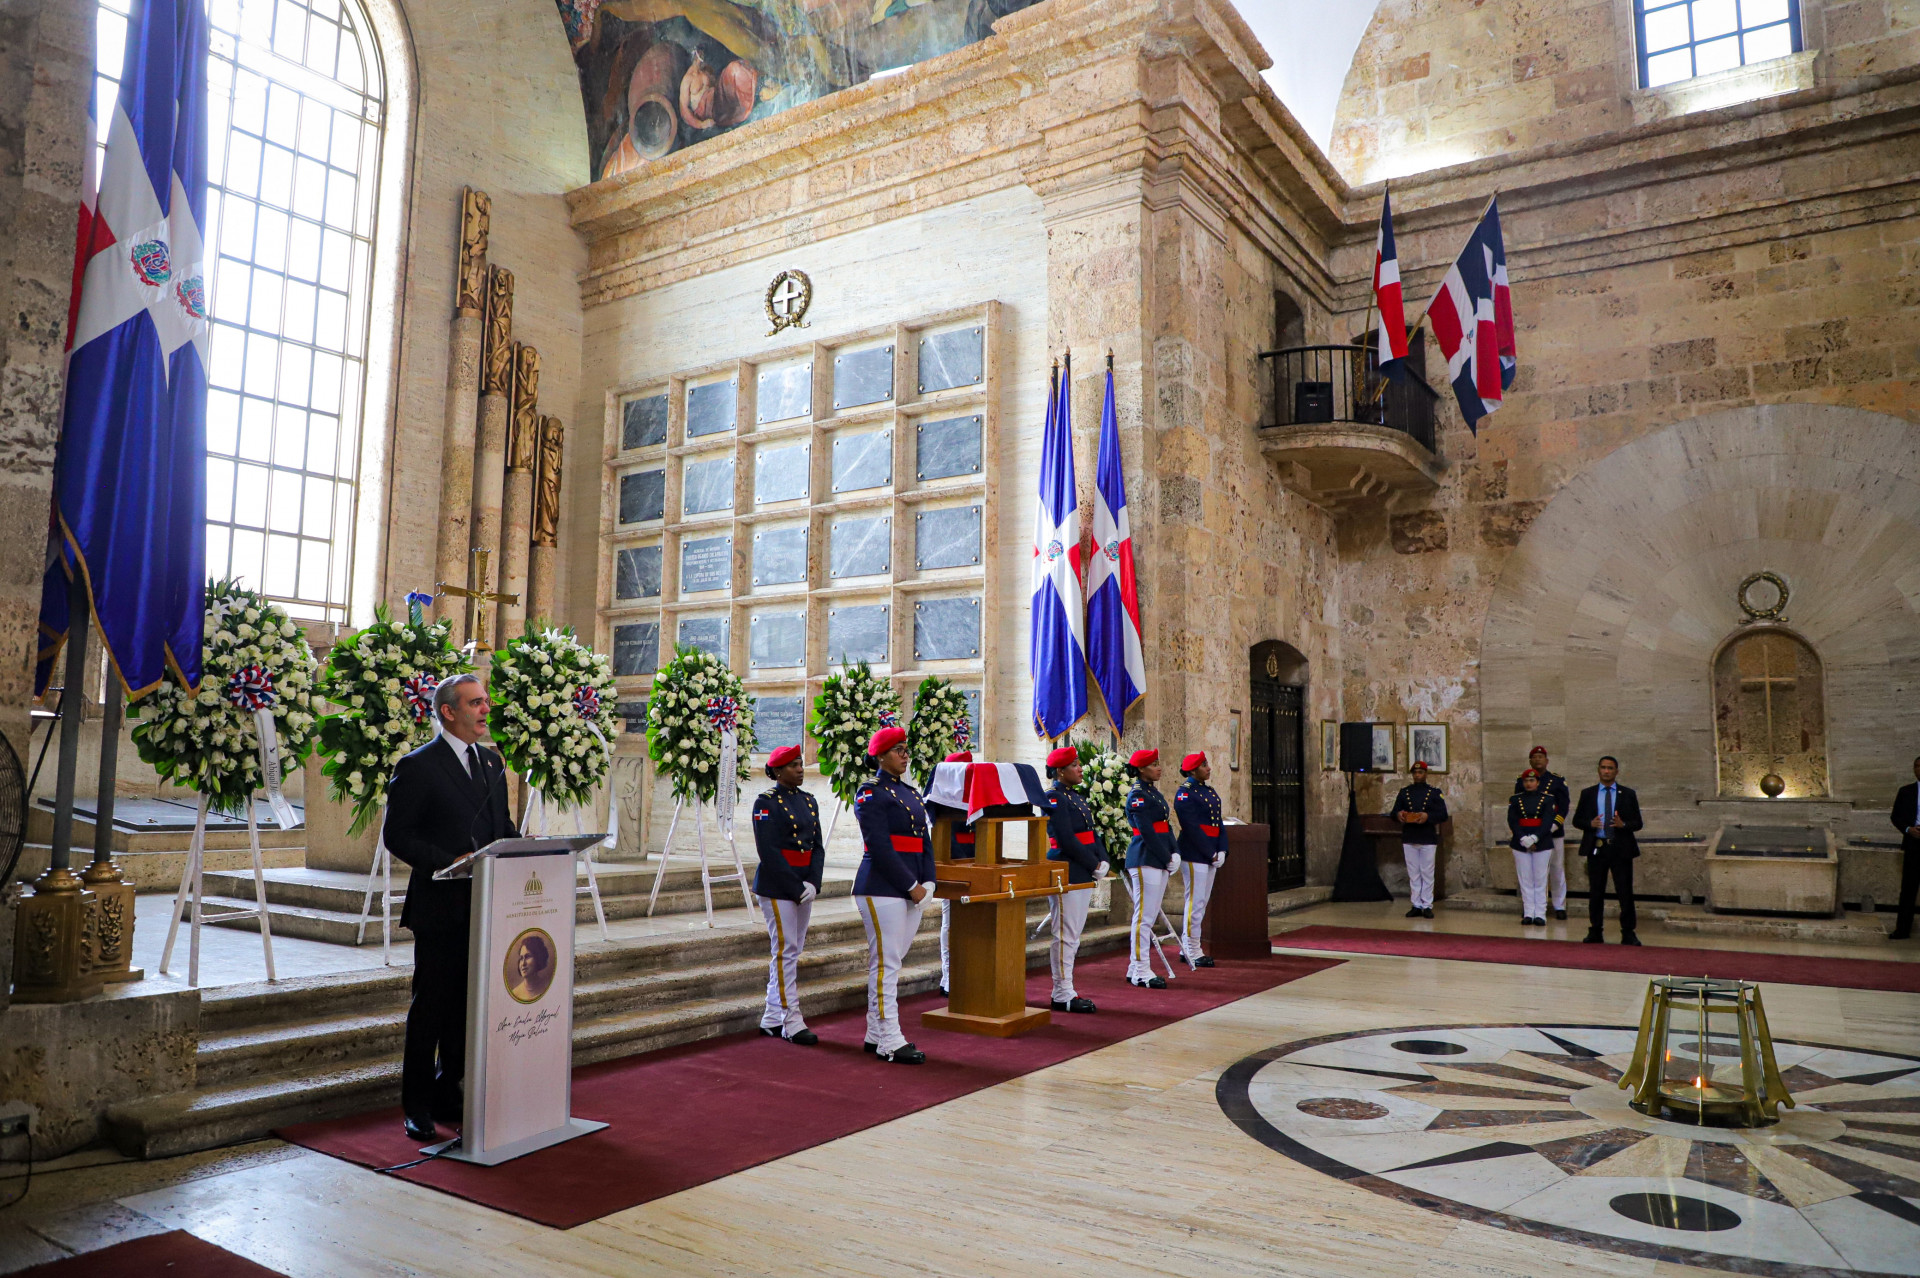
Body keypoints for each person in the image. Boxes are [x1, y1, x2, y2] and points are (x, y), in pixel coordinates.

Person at [382, 672, 519, 1142]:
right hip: (441, 906)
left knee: (466, 1006)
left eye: (485, 701)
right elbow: (398, 835)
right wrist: (448, 862)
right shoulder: (418, 765)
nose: (486, 709)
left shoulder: (492, 762)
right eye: (476, 702)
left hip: (486, 905)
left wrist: (526, 847)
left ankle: (448, 1091)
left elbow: (501, 827)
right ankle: (417, 1105)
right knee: (432, 1009)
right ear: (448, 711)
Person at [852, 726, 936, 1064]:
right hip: (881, 886)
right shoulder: (870, 792)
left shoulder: (910, 793)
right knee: (887, 963)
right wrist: (911, 885)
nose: (905, 755)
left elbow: (925, 841)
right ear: (880, 755)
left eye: (905, 749)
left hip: (911, 887)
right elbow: (880, 847)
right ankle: (890, 1038)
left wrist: (929, 881)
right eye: (898, 750)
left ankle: (875, 1032)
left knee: (892, 961)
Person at [751, 744, 823, 1045]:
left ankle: (771, 1017)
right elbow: (768, 851)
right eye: (793, 765)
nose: (800, 769)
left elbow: (817, 846)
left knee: (792, 950)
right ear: (778, 771)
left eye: (801, 764)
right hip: (778, 886)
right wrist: (796, 886)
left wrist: (813, 883)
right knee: (786, 950)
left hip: (803, 884)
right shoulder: (766, 802)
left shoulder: (808, 800)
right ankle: (790, 1020)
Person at [1043, 745, 1106, 1012]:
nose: (1080, 769)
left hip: (1082, 868)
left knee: (1074, 935)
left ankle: (1066, 988)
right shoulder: (1054, 797)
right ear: (1060, 771)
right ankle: (1062, 992)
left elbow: (1091, 832)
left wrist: (1103, 859)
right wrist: (1093, 863)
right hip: (1067, 868)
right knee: (1065, 934)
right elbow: (1066, 839)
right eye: (1074, 765)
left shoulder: (1074, 796)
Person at [1573, 755, 1642, 945]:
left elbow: (1638, 823)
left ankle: (1628, 932)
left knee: (1624, 891)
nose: (1606, 771)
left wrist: (1623, 824)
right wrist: (1590, 824)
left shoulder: (1627, 794)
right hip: (1597, 848)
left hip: (1621, 849)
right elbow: (1577, 820)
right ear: (1598, 770)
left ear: (1616, 771)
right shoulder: (1588, 793)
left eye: (1610, 768)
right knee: (1596, 891)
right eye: (1603, 767)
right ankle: (1595, 930)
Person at [1123, 748, 1177, 989]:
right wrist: (1166, 857)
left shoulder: (1153, 793)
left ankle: (1133, 967)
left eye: (1158, 763)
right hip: (1145, 858)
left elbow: (1165, 825)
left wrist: (1175, 851)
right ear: (1141, 769)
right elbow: (1146, 832)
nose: (1159, 767)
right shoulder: (1137, 795)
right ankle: (1141, 969)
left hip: (1159, 858)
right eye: (1154, 764)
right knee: (1144, 917)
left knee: (1150, 915)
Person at [926, 750, 975, 997]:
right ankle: (949, 975)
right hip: (954, 869)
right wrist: (962, 867)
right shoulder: (942, 801)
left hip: (976, 868)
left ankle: (970, 972)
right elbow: (944, 840)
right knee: (951, 922)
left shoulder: (975, 797)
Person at [1172, 751, 1228, 968]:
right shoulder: (1185, 794)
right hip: (1195, 853)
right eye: (1204, 765)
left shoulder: (1209, 791)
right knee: (1195, 902)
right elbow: (1191, 827)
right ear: (1193, 770)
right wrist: (1209, 852)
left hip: (1210, 852)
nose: (1208, 768)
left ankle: (1188, 945)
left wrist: (1222, 849)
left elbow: (1218, 823)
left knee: (1201, 902)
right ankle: (1191, 948)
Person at [1516, 746, 1571, 920]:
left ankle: (1559, 905)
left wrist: (1552, 827)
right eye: (1535, 757)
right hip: (1529, 834)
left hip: (1553, 832)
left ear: (1546, 761)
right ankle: (1531, 908)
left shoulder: (1556, 781)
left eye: (1541, 757)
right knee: (1531, 873)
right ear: (1530, 761)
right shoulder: (1522, 780)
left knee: (1556, 868)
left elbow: (1563, 807)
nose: (1538, 759)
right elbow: (1518, 808)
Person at [1390, 760, 1448, 919]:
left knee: (1427, 873)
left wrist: (1427, 816)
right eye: (1415, 773)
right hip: (1410, 836)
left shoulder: (1434, 793)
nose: (1417, 775)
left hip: (1427, 836)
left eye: (1420, 772)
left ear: (1426, 774)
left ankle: (1427, 904)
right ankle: (1416, 904)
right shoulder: (1405, 792)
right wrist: (1399, 815)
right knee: (1413, 873)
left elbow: (1443, 814)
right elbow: (1393, 812)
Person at [1507, 770, 1555, 927]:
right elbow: (1512, 821)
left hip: (1542, 842)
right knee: (1525, 879)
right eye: (1526, 780)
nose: (1529, 783)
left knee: (1540, 879)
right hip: (1520, 842)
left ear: (1538, 782)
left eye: (1532, 780)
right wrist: (1523, 839)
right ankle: (1528, 913)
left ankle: (1540, 914)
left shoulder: (1547, 799)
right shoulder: (1515, 799)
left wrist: (1534, 838)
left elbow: (1547, 821)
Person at [1890, 756, 1920, 940]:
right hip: (1914, 844)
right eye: (1916, 766)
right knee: (1909, 888)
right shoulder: (1906, 791)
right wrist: (1909, 829)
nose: (1918, 769)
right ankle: (1902, 930)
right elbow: (1896, 817)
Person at [506, 933, 551, 1004]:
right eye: (521, 958)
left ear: (538, 958)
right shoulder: (515, 993)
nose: (523, 963)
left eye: (528, 957)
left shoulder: (548, 988)